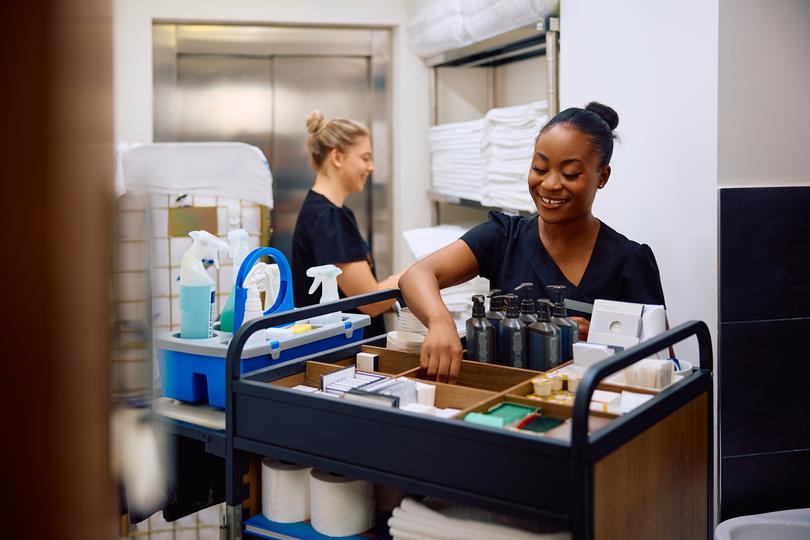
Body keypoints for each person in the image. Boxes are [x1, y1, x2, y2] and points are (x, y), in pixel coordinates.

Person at [399, 102, 665, 383]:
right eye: (539, 168)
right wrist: (440, 322)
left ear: (603, 176)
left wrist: (602, 339)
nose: (550, 184)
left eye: (570, 174)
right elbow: (417, 275)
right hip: (504, 399)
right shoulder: (504, 236)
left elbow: (660, 364)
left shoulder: (629, 261)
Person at [292, 111, 405, 336]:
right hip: (342, 355)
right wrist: (415, 274)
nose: (371, 167)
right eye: (365, 158)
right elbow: (370, 302)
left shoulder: (328, 212)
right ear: (338, 157)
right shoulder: (328, 218)